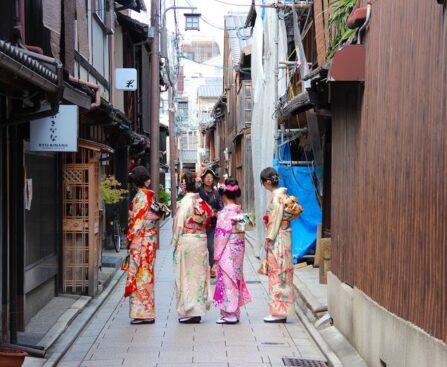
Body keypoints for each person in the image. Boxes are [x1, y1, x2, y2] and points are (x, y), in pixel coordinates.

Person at [172, 172, 213, 323]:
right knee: (199, 276)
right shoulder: (201, 201)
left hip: (189, 241)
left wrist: (175, 243)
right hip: (201, 241)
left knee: (187, 276)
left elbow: (179, 224)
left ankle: (190, 310)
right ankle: (198, 310)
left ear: (184, 185)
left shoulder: (185, 202)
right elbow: (208, 219)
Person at [125, 166, 163, 325]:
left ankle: (143, 313)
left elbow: (136, 223)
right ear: (146, 180)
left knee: (140, 275)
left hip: (140, 241)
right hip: (149, 240)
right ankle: (146, 311)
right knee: (146, 274)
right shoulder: (149, 197)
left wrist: (130, 240)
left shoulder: (141, 198)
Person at [213, 178, 252, 324]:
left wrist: (217, 255)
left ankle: (229, 313)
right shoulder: (239, 210)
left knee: (227, 279)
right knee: (236, 277)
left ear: (223, 196)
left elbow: (221, 236)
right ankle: (235, 312)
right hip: (238, 247)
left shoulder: (225, 213)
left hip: (227, 248)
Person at [260, 167, 294, 323]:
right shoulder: (284, 195)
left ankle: (278, 312)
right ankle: (283, 310)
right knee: (284, 273)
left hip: (277, 238)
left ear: (267, 182)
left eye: (263, 184)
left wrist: (268, 240)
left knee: (276, 274)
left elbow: (274, 221)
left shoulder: (275, 198)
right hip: (285, 236)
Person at [198, 168, 223, 278]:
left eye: (211, 178)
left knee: (211, 246)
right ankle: (201, 269)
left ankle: (212, 269)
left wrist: (215, 212)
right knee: (200, 247)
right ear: (203, 180)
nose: (209, 179)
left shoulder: (216, 193)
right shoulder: (198, 192)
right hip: (200, 224)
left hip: (212, 223)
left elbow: (220, 207)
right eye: (207, 177)